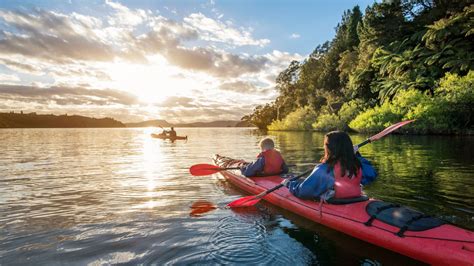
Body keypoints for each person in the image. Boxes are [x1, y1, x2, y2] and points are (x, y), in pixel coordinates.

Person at [281, 131, 377, 200]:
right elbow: (371, 175)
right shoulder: (357, 164)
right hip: (356, 198)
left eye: (325, 145)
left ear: (329, 148)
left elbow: (304, 192)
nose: (324, 147)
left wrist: (289, 184)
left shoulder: (324, 169)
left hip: (336, 202)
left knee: (301, 183)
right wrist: (356, 155)